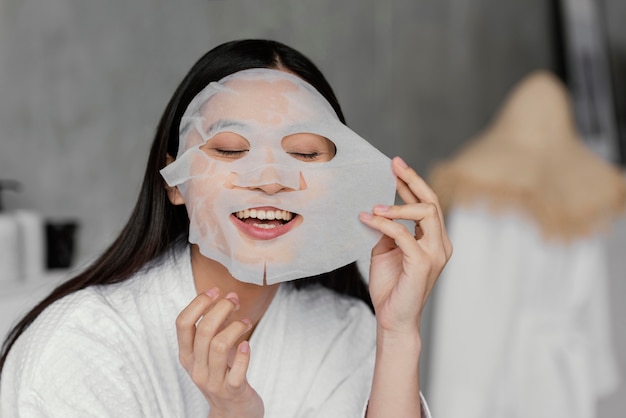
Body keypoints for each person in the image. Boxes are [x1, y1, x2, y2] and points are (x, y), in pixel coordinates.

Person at [0, 39, 452, 417]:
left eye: (306, 154)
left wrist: (397, 332)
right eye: (233, 150)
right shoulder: (81, 344)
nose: (271, 179)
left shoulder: (344, 330)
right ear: (176, 182)